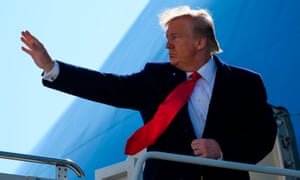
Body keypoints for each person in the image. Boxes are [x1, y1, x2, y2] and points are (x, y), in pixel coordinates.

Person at [21, 6, 277, 180]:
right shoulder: (155, 78)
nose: (167, 44)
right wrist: (51, 67)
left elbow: (264, 135)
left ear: (200, 43)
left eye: (175, 37)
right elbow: (107, 86)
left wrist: (222, 151)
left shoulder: (245, 83)